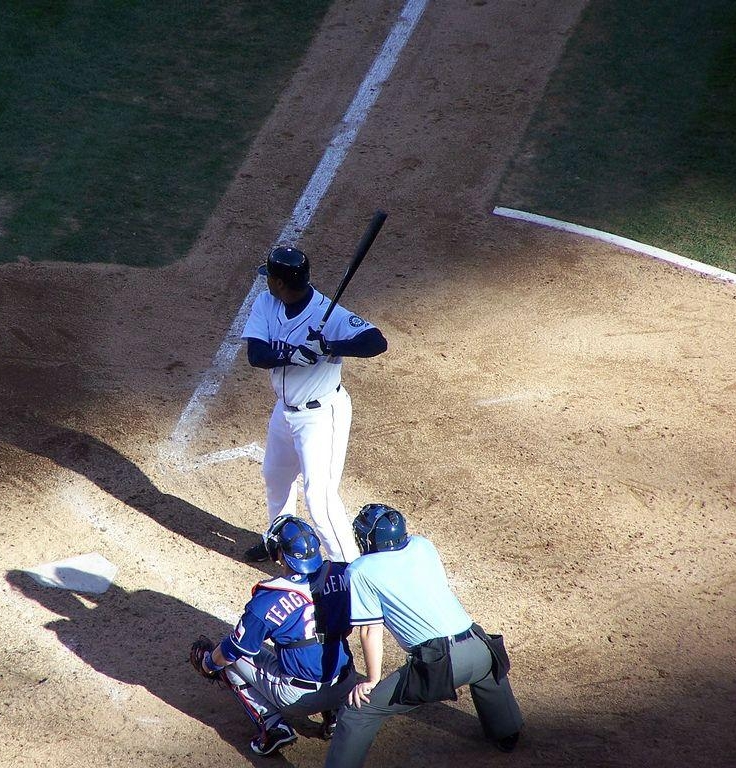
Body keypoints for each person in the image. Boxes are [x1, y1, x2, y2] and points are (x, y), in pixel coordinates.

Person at [323, 504, 524, 768]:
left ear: (370, 539)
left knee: (358, 712)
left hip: (441, 664)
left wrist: (371, 680)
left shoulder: (360, 570)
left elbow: (370, 630)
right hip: (482, 647)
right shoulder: (422, 545)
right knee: (487, 673)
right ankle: (507, 731)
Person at [241, 246, 387, 564]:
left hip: (322, 417)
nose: (266, 282)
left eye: (270, 277)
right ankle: (280, 540)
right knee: (276, 476)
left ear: (280, 282)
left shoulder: (328, 314)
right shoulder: (267, 303)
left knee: (319, 500)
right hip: (285, 411)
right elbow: (256, 355)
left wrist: (329, 346)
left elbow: (376, 341)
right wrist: (291, 354)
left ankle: (350, 570)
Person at [195, 515, 357, 757]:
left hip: (299, 697)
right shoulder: (344, 573)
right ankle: (334, 715)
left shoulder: (268, 599)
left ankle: (273, 727)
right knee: (328, 640)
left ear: (279, 553)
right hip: (347, 683)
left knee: (230, 658)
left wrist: (208, 664)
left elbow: (233, 650)